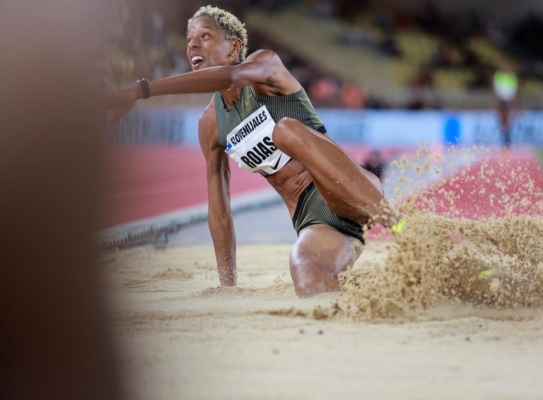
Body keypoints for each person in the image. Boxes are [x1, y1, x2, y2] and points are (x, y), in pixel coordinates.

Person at [104, 6, 401, 298]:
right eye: (189, 39)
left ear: (234, 47)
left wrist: (141, 90)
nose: (193, 44)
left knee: (285, 130)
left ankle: (405, 231)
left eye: (205, 36)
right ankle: (399, 288)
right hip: (314, 221)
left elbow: (231, 78)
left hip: (351, 191)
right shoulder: (211, 123)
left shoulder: (266, 67)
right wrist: (227, 286)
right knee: (308, 281)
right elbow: (219, 210)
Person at [492, 62, 519, 147]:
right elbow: (496, 89)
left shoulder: (512, 76)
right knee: (502, 119)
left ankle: (507, 135)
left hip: (509, 100)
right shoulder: (498, 76)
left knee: (507, 118)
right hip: (501, 99)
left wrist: (514, 103)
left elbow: (515, 89)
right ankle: (505, 135)